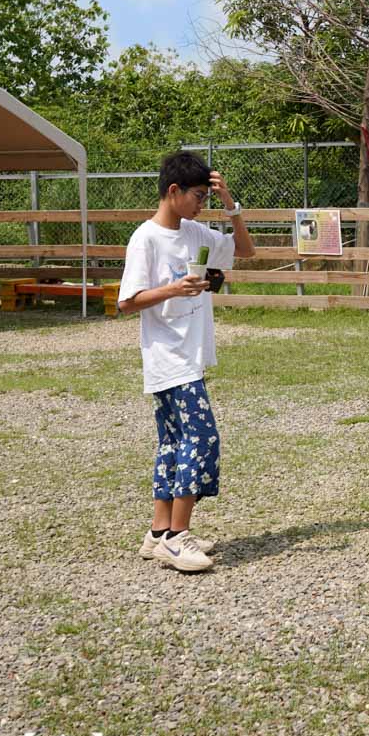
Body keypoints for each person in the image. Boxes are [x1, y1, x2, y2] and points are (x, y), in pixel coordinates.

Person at [118, 151, 255, 572]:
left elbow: (245, 251)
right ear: (173, 191)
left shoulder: (196, 232)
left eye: (206, 196)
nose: (202, 204)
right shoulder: (146, 238)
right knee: (201, 439)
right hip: (167, 359)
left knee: (174, 443)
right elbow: (127, 302)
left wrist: (231, 207)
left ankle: (158, 532)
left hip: (188, 358)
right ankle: (178, 538)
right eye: (198, 196)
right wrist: (173, 290)